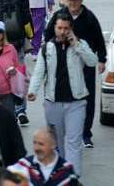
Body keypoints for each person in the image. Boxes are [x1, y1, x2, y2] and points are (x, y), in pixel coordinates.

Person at [27, 13, 97, 177]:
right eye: (60, 28)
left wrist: (77, 44)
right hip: (53, 102)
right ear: (55, 28)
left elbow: (92, 61)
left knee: (74, 142)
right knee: (56, 144)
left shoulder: (80, 45)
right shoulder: (47, 48)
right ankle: (61, 175)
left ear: (71, 29)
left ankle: (73, 176)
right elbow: (39, 72)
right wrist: (32, 91)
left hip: (76, 102)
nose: (63, 31)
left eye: (66, 28)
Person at [44, 0, 106, 148]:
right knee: (63, 98)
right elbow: (48, 33)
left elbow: (99, 38)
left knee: (88, 98)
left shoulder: (89, 17)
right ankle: (62, 132)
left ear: (81, 1)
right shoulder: (59, 15)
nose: (72, 2)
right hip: (64, 63)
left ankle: (86, 133)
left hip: (85, 62)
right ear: (66, 0)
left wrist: (101, 59)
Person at [14, 128, 79, 186]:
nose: (36, 148)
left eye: (41, 144)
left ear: (53, 145)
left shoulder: (67, 170)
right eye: (34, 143)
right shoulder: (23, 165)